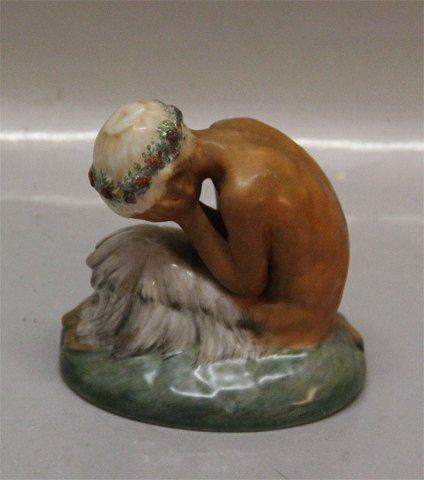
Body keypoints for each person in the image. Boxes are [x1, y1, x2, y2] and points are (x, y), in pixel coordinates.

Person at [67, 99, 362, 362]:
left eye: (150, 212)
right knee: (144, 248)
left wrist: (187, 215)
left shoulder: (245, 191)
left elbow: (246, 285)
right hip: (308, 297)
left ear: (176, 188)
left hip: (292, 320)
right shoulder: (231, 130)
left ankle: (99, 336)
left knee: (136, 261)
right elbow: (250, 237)